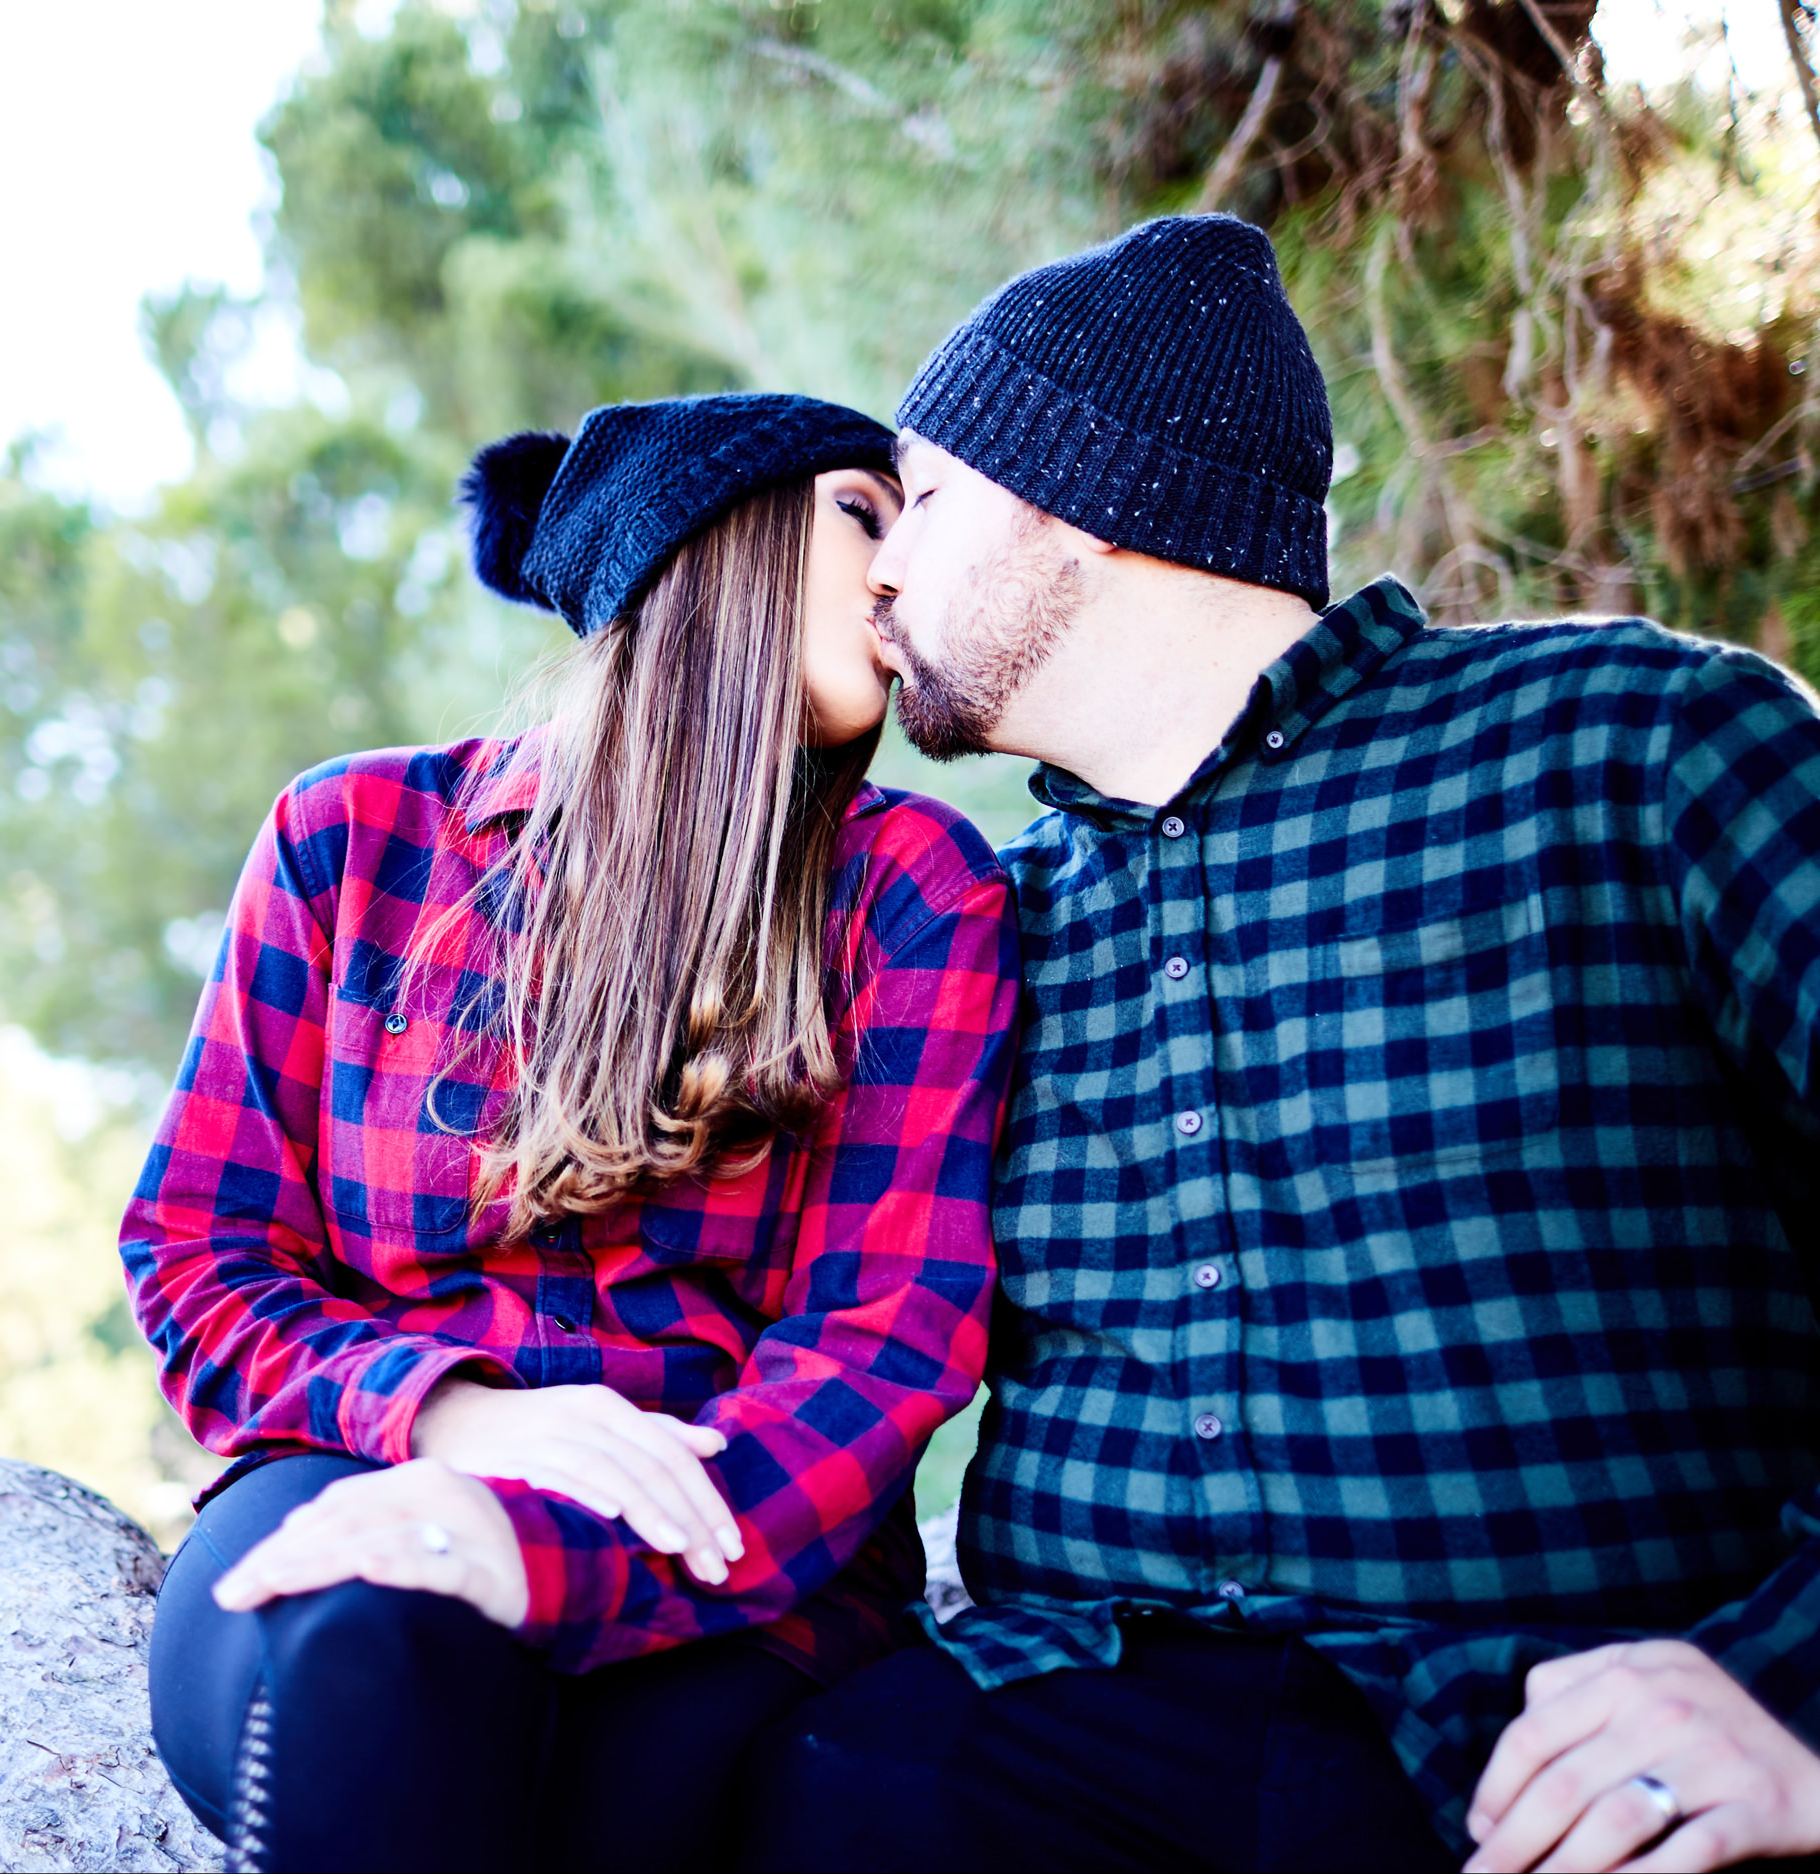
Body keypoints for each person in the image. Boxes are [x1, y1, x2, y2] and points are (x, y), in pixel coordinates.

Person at [744, 214, 1820, 1874]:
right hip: (1054, 1747)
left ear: (1082, 503)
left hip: (1574, 1760)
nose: (876, 575)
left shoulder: (1640, 746)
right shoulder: (965, 929)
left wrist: (1794, 1693)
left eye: (925, 501)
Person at [120, 392, 1020, 1873]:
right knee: (371, 1656)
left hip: (735, 1543)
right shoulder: (350, 842)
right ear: (707, 535)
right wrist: (457, 1420)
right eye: (869, 509)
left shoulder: (915, 893)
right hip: (363, 1469)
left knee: (654, 1807)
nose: (900, 571)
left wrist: (565, 1543)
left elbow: (889, 1336)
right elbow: (202, 1256)